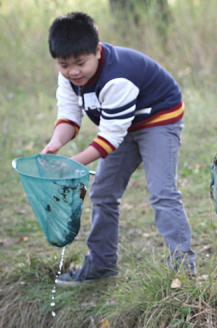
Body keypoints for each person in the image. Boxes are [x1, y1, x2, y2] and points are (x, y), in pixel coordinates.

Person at [43, 12, 196, 286]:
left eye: (80, 63)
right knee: (102, 192)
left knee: (162, 192)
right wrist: (55, 143)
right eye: (64, 65)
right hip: (122, 124)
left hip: (158, 118)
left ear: (98, 51)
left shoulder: (117, 78)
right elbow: (69, 114)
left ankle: (183, 271)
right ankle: (101, 266)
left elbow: (108, 140)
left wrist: (72, 164)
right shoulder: (68, 78)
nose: (73, 71)